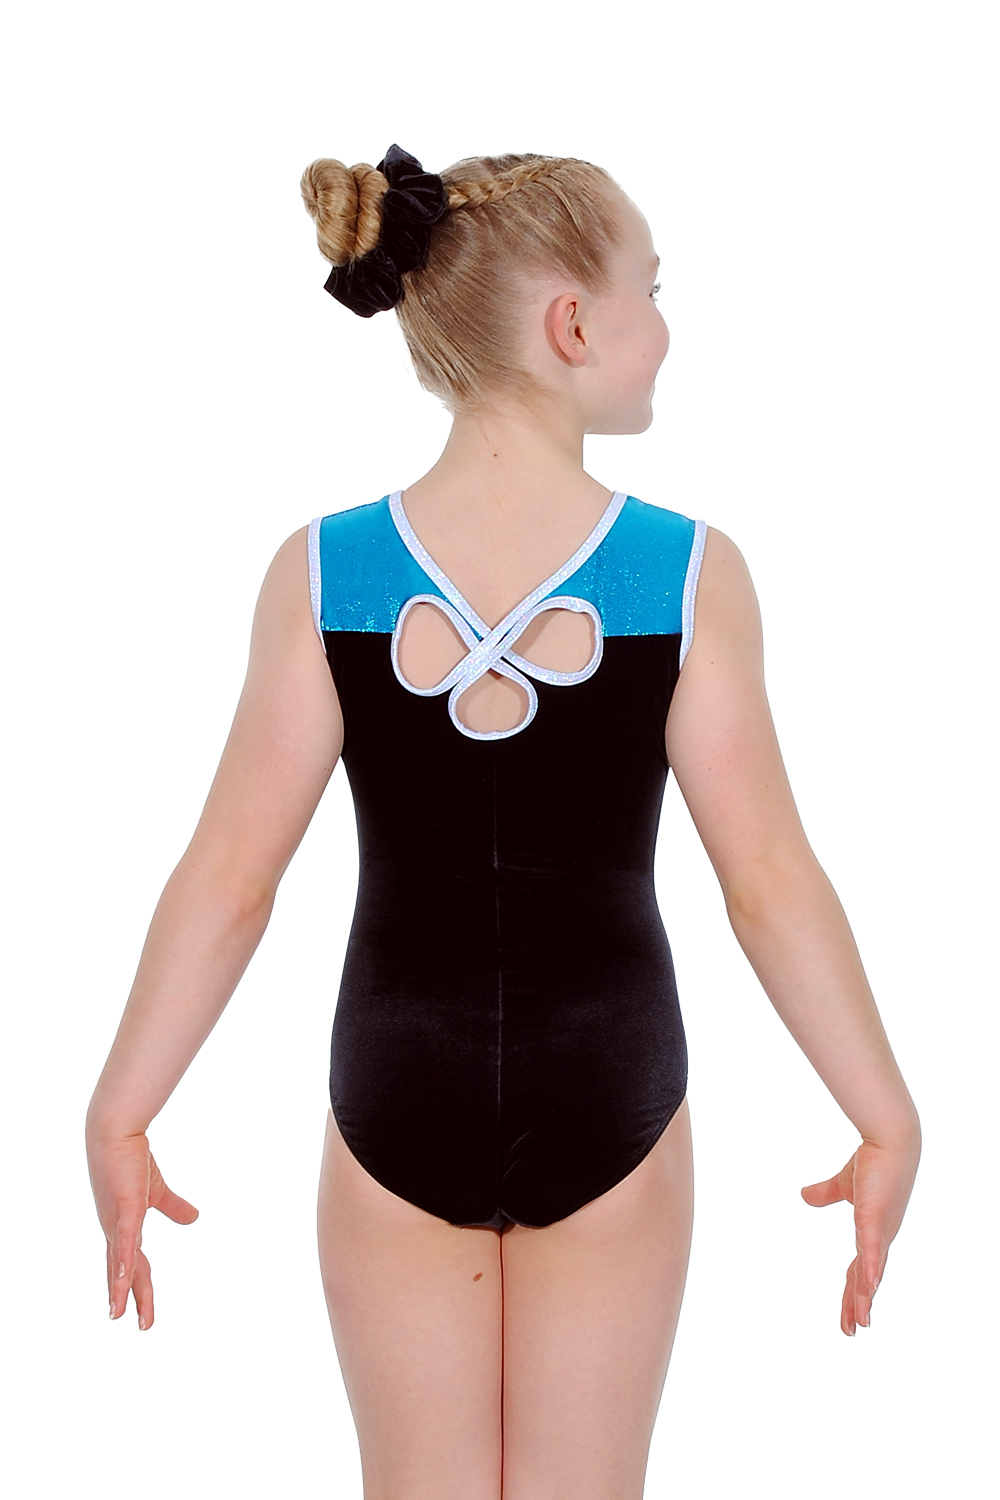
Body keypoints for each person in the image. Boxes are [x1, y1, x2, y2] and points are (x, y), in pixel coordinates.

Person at [86, 145, 921, 1499]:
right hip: (612, 1085)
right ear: (574, 324)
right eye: (653, 289)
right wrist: (883, 1116)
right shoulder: (685, 572)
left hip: (392, 1087)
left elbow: (231, 876)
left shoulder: (325, 571)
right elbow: (767, 879)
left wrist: (122, 1110)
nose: (667, 324)